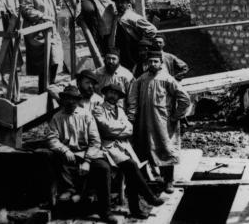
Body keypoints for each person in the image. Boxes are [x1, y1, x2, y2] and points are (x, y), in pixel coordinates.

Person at [47, 85, 117, 224]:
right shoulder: (57, 117)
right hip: (67, 154)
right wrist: (65, 150)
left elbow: (95, 141)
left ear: (77, 100)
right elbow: (51, 138)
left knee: (104, 168)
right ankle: (70, 190)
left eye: (73, 99)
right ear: (63, 100)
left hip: (86, 152)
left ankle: (105, 211)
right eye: (67, 99)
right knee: (52, 156)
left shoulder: (86, 115)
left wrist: (87, 161)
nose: (70, 102)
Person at [93, 84, 164, 219]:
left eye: (117, 94)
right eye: (111, 93)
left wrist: (118, 130)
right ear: (105, 94)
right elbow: (106, 128)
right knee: (131, 166)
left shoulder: (120, 110)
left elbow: (130, 129)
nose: (113, 96)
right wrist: (121, 130)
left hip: (123, 145)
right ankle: (148, 198)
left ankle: (136, 208)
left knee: (132, 169)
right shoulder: (98, 109)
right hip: (107, 147)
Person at [127, 50, 191, 194]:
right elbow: (132, 98)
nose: (153, 64)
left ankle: (168, 181)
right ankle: (153, 178)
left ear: (161, 63)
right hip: (144, 121)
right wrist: (132, 116)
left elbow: (184, 98)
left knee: (166, 148)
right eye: (150, 61)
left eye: (156, 61)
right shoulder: (141, 79)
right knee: (146, 147)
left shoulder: (167, 79)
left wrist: (176, 116)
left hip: (163, 122)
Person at [20, 0, 63, 90]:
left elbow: (59, 3)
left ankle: (51, 85)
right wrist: (43, 16)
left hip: (52, 31)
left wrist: (54, 12)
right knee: (43, 63)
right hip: (37, 32)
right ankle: (43, 90)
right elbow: (26, 9)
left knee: (56, 59)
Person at [108, 0, 157, 70]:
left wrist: (143, 42)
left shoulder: (132, 16)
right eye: (117, 3)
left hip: (131, 49)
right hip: (120, 49)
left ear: (128, 3)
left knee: (133, 68)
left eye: (122, 2)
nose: (119, 5)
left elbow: (152, 29)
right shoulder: (117, 16)